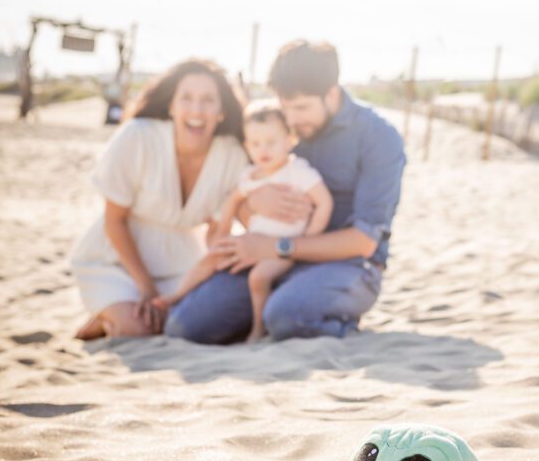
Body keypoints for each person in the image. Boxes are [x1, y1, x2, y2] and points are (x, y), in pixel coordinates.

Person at [164, 40, 406, 343]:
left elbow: (364, 242)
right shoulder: (277, 125)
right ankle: (267, 313)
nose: (291, 120)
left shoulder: (379, 137)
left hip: (348, 265)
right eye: (285, 107)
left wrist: (279, 246)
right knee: (185, 327)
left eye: (302, 107)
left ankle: (312, 317)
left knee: (286, 316)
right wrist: (252, 202)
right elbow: (240, 191)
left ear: (332, 93)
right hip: (268, 258)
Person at [70, 59, 247, 339]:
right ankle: (106, 317)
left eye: (208, 100)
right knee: (137, 328)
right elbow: (114, 221)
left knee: (196, 322)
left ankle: (111, 317)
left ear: (222, 110)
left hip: (184, 263)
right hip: (116, 259)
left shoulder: (232, 154)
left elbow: (217, 230)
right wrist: (146, 286)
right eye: (186, 98)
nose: (196, 110)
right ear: (171, 105)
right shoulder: (138, 135)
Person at [154, 102, 333, 342]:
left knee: (258, 278)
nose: (263, 150)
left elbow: (324, 202)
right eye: (256, 144)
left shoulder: (297, 171)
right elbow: (233, 201)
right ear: (247, 146)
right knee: (211, 258)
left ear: (290, 141)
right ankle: (177, 295)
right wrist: (224, 232)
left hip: (282, 250)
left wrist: (305, 242)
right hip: (250, 242)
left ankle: (258, 328)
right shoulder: (250, 175)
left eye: (271, 142)